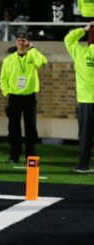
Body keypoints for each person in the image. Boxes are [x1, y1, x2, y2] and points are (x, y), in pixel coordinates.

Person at [0, 32, 47, 164]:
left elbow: (42, 62)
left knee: (31, 127)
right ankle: (14, 155)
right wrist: (6, 92)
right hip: (14, 97)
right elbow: (3, 78)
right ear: (16, 42)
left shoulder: (32, 56)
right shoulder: (8, 60)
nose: (21, 43)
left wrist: (32, 49)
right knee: (13, 128)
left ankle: (30, 154)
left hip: (29, 97)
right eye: (19, 40)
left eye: (23, 40)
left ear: (28, 42)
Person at [64, 21, 94, 173]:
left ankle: (83, 165)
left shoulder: (81, 53)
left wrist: (84, 29)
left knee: (85, 135)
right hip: (86, 100)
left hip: (86, 101)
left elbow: (68, 39)